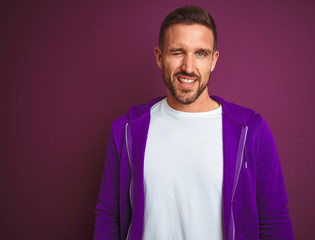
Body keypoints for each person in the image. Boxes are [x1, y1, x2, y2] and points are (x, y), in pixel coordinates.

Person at [94, 5, 294, 240]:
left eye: (200, 53)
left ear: (213, 60)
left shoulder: (251, 131)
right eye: (177, 52)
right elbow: (109, 216)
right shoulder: (126, 130)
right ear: (159, 57)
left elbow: (274, 220)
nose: (188, 67)